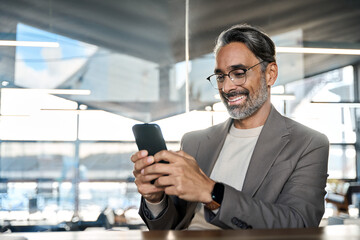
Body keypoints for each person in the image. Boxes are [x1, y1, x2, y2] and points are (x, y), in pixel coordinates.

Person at [131, 23, 329, 230]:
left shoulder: (308, 144)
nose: (226, 87)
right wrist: (155, 199)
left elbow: (299, 223)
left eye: (239, 72)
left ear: (270, 74)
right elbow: (173, 226)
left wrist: (211, 192)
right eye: (220, 76)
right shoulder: (194, 141)